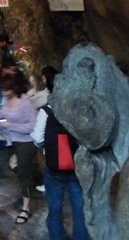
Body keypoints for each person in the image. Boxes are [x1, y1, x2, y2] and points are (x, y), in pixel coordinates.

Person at [31, 69, 89, 240]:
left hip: (54, 167)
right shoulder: (78, 109)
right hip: (76, 166)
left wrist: (44, 146)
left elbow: (37, 137)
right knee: (80, 210)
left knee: (55, 209)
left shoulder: (47, 111)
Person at [0, 74, 38, 225]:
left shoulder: (25, 102)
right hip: (9, 139)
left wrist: (10, 126)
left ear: (14, 88)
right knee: (3, 161)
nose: (3, 93)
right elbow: (3, 121)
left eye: (6, 90)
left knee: (23, 173)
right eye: (3, 89)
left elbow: (32, 126)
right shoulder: (6, 101)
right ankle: (27, 180)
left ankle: (26, 207)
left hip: (26, 141)